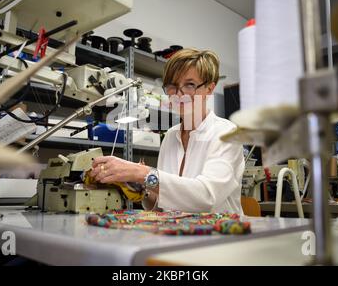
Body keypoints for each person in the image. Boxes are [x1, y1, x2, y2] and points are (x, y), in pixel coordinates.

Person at [90, 48, 245, 213]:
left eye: (190, 84)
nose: (179, 94)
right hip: (178, 233)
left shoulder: (226, 133)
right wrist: (140, 190)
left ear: (209, 88)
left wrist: (140, 173)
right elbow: (162, 204)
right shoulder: (171, 136)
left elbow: (207, 198)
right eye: (172, 86)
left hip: (221, 234)